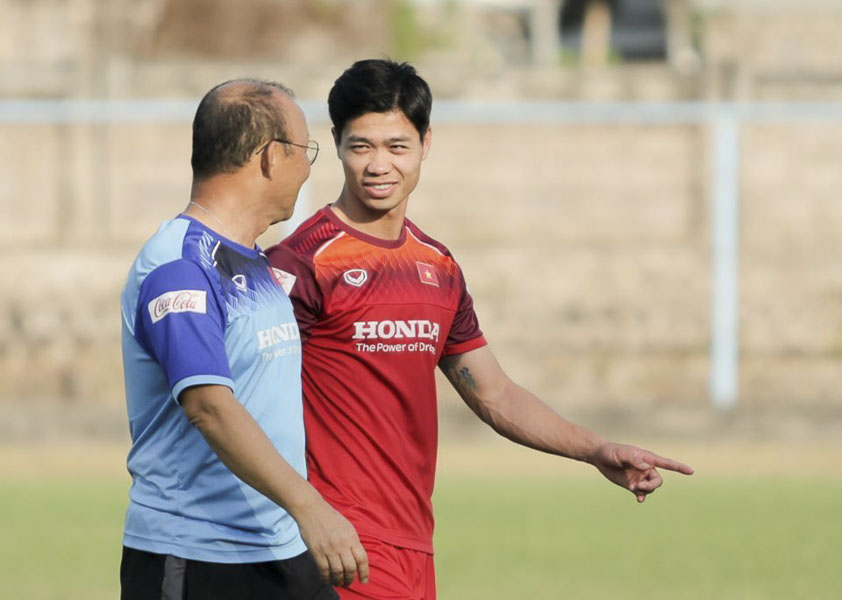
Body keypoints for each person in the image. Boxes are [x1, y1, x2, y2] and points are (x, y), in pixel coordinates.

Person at [266, 59, 694, 599]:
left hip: (413, 545)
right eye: (361, 146)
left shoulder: (438, 267)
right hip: (336, 547)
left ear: (426, 143)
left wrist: (595, 449)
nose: (379, 165)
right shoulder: (300, 263)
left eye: (397, 146)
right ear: (336, 144)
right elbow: (244, 399)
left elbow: (494, 393)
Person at [119, 78, 368, 599]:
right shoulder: (180, 266)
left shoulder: (250, 260)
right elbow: (208, 406)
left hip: (280, 550)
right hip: (198, 558)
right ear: (271, 158)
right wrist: (310, 506)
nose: (308, 167)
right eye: (305, 150)